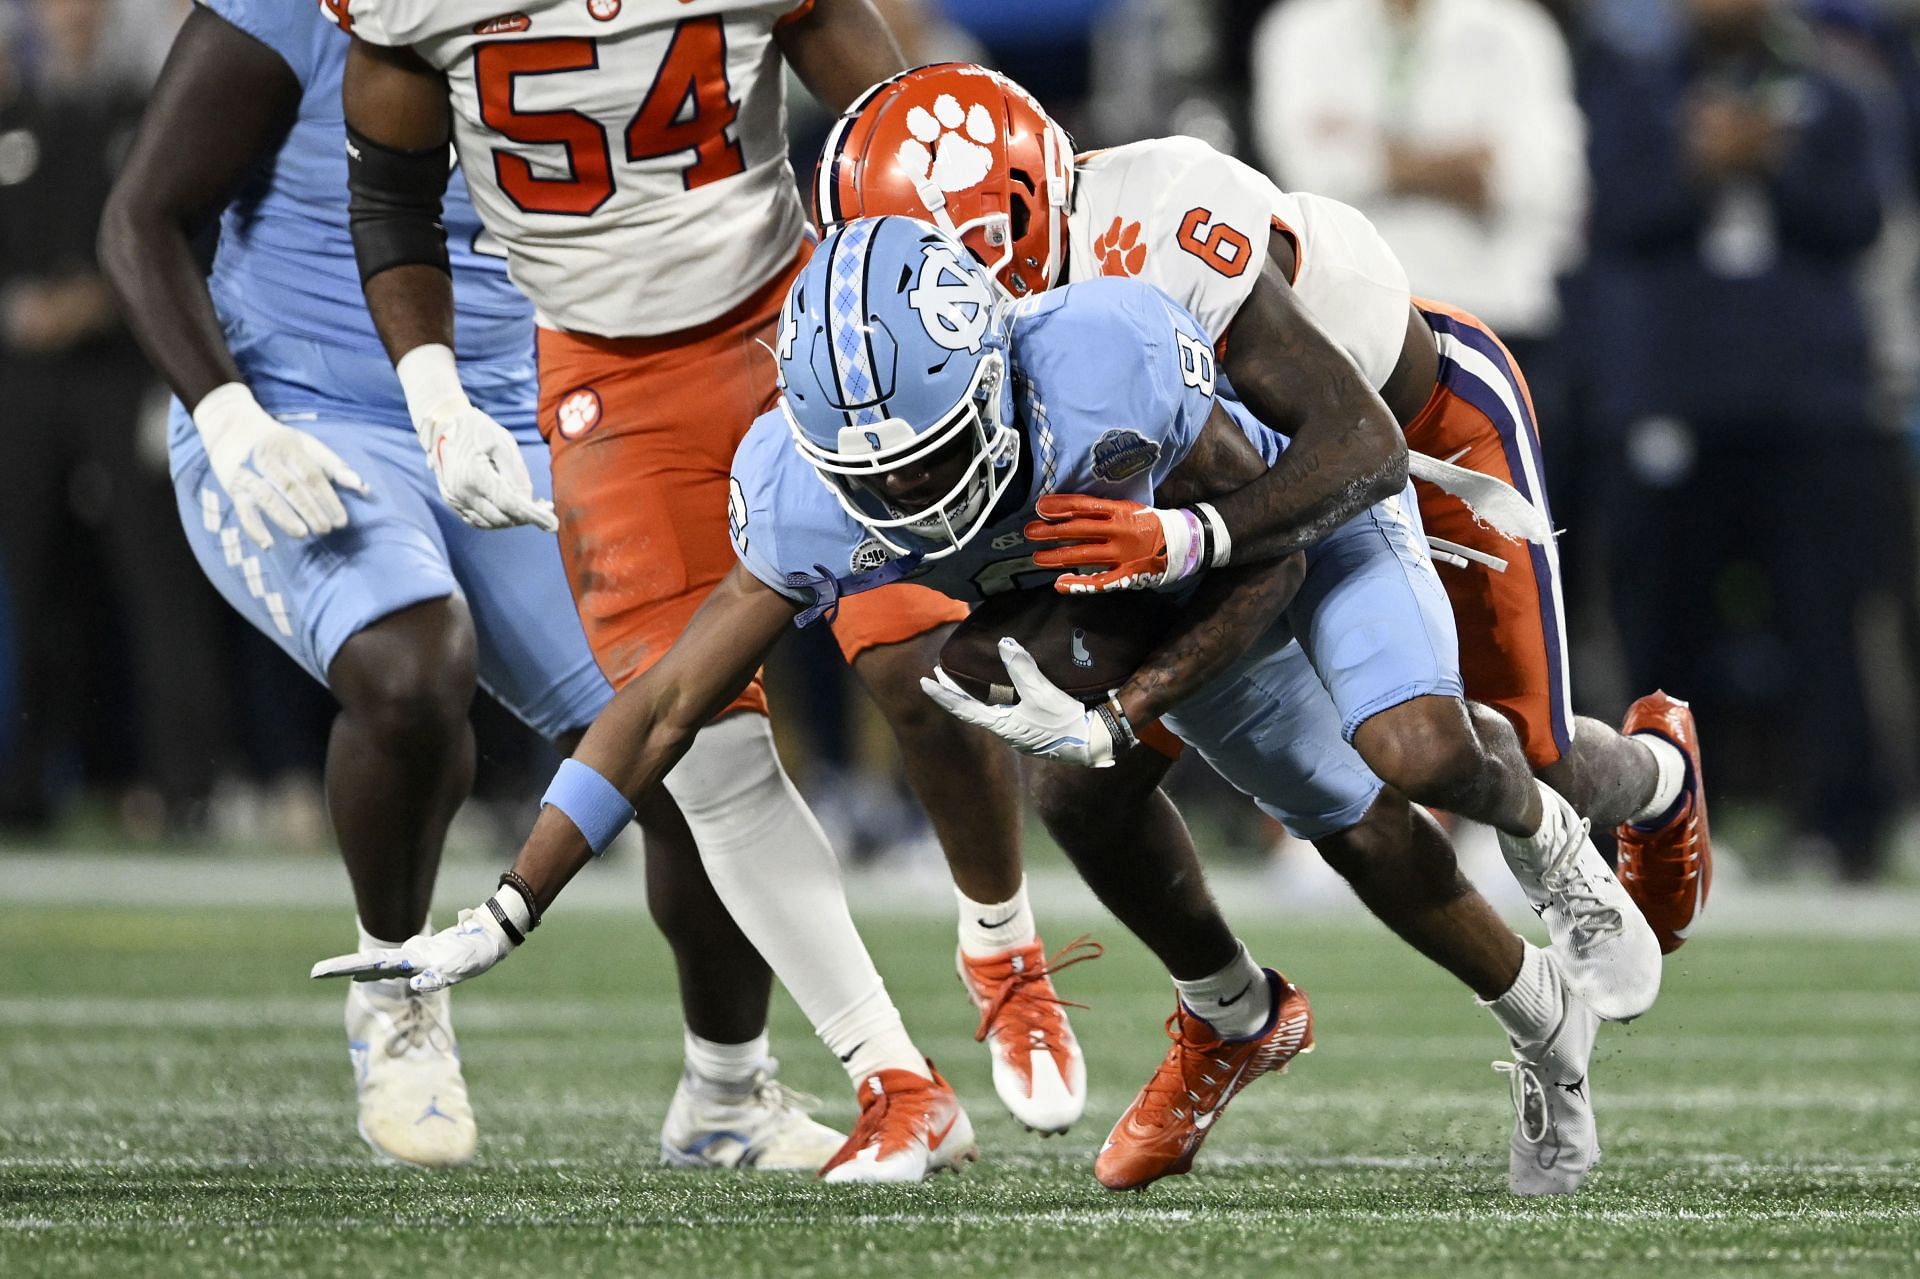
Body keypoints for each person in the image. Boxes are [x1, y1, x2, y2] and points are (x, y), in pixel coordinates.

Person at [318, 217, 1624, 1197]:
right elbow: (662, 703)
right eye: (871, 474)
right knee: (1232, 789)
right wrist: (508, 904)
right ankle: (1517, 1019)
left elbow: (1269, 551)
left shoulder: (1106, 357)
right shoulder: (803, 486)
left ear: (993, 371)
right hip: (1118, 563)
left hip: (1280, 515)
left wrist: (1138, 693)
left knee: (1408, 752)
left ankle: (1543, 836)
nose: (907, 502)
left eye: (934, 456)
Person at [322, 0, 1080, 1171]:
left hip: (800, 318)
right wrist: (432, 393)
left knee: (921, 662)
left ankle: (1006, 952)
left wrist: (916, 296)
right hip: (605, 376)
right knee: (708, 753)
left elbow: (893, 128)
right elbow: (390, 194)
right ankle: (889, 1073)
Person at [98, 0, 842, 1172]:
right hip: (305, 409)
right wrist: (230, 414)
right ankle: (394, 993)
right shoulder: (306, 12)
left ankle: (727, 1092)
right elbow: (139, 218)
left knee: (687, 726)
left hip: (526, 412)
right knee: (411, 663)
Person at [818, 65, 1705, 968]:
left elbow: (1355, 447)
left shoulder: (1163, 217)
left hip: (1413, 433)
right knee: (1082, 789)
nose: (911, 304)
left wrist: (1184, 545)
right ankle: (1225, 1014)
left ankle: (1658, 776)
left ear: (1012, 215)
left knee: (1535, 757)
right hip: (1205, 508)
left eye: (926, 269)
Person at [1582, 0, 1904, 879]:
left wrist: (1775, 159)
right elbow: (1613, 212)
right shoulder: (1634, 85)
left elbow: (1861, 216)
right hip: (1673, 390)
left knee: (1826, 620)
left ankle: (1844, 827)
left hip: (1811, 400)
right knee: (1664, 626)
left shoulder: (1834, 87)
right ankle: (1658, 825)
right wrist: (1696, 164)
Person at [0, 0, 231, 833]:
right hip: (22, 386)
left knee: (156, 579)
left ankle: (184, 783)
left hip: (120, 372)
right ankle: (25, 783)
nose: (71, 15)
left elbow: (166, 233)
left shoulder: (144, 109)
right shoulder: (16, 117)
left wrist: (93, 302)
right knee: (26, 583)